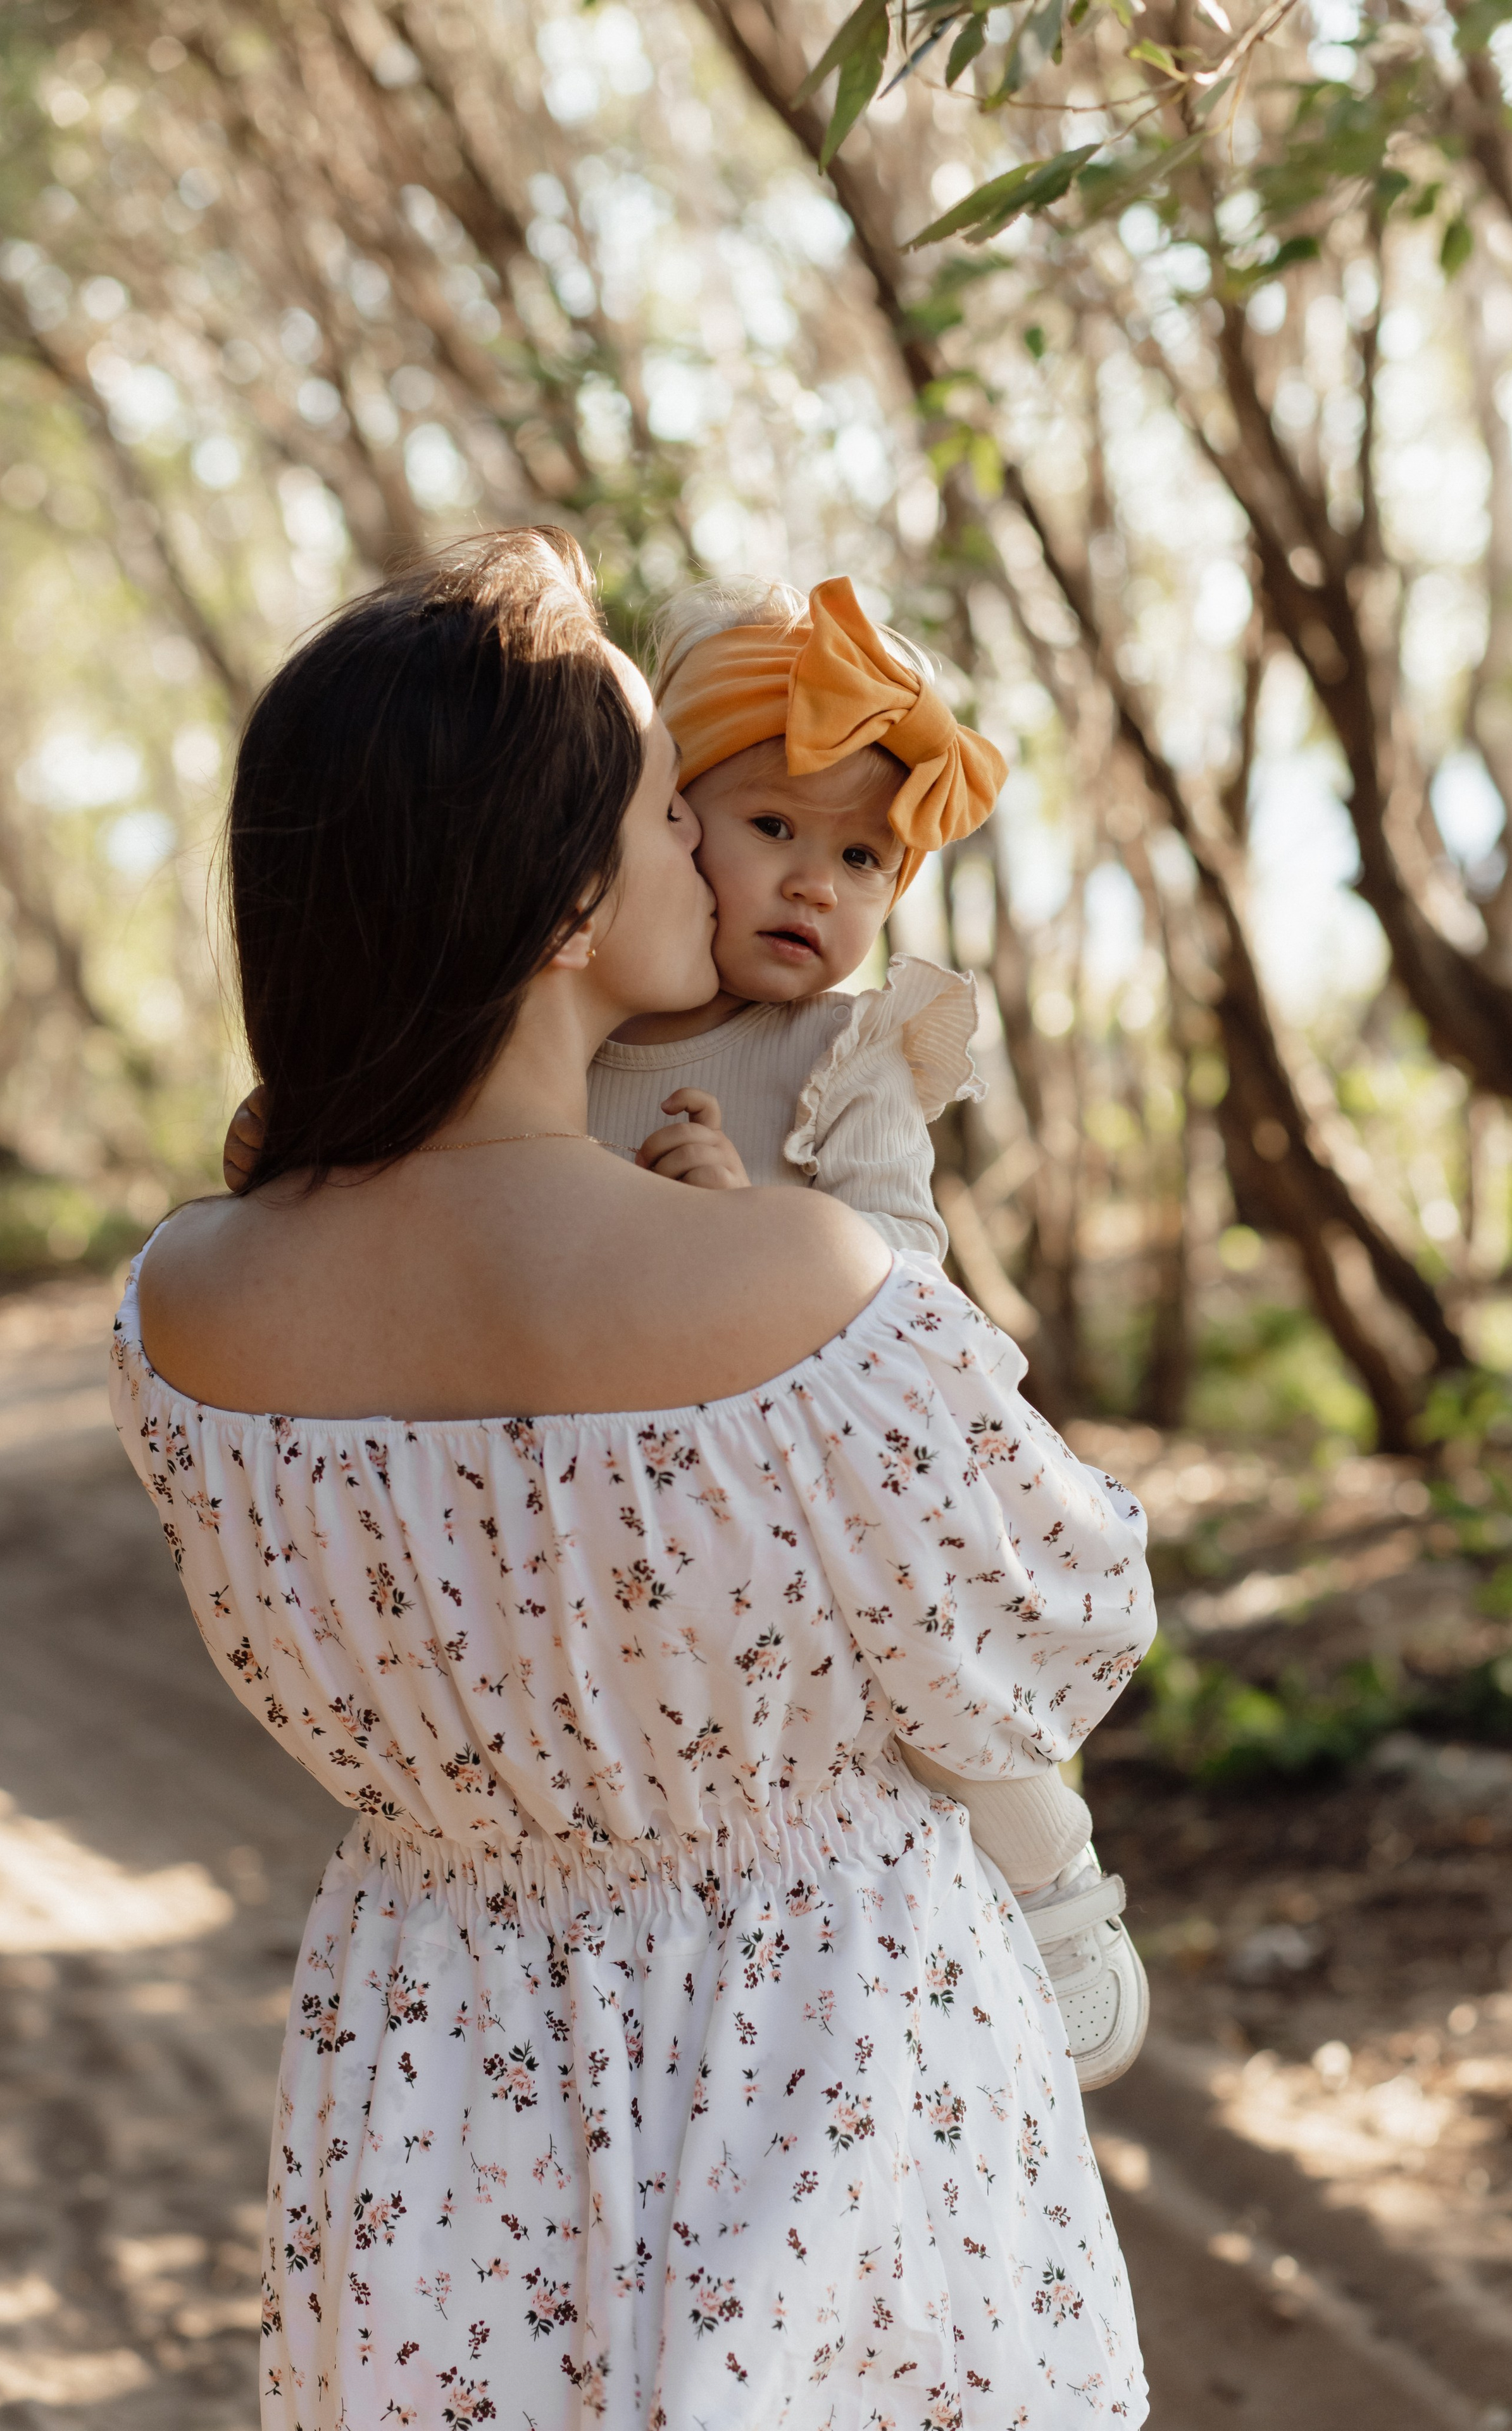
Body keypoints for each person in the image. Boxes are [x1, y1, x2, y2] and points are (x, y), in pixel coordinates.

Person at [120, 527, 1155, 2428]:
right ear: (565, 894)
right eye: (676, 809)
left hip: (435, 2102)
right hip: (829, 2075)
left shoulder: (178, 1317)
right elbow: (1064, 1614)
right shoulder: (796, 1285)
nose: (719, 846)